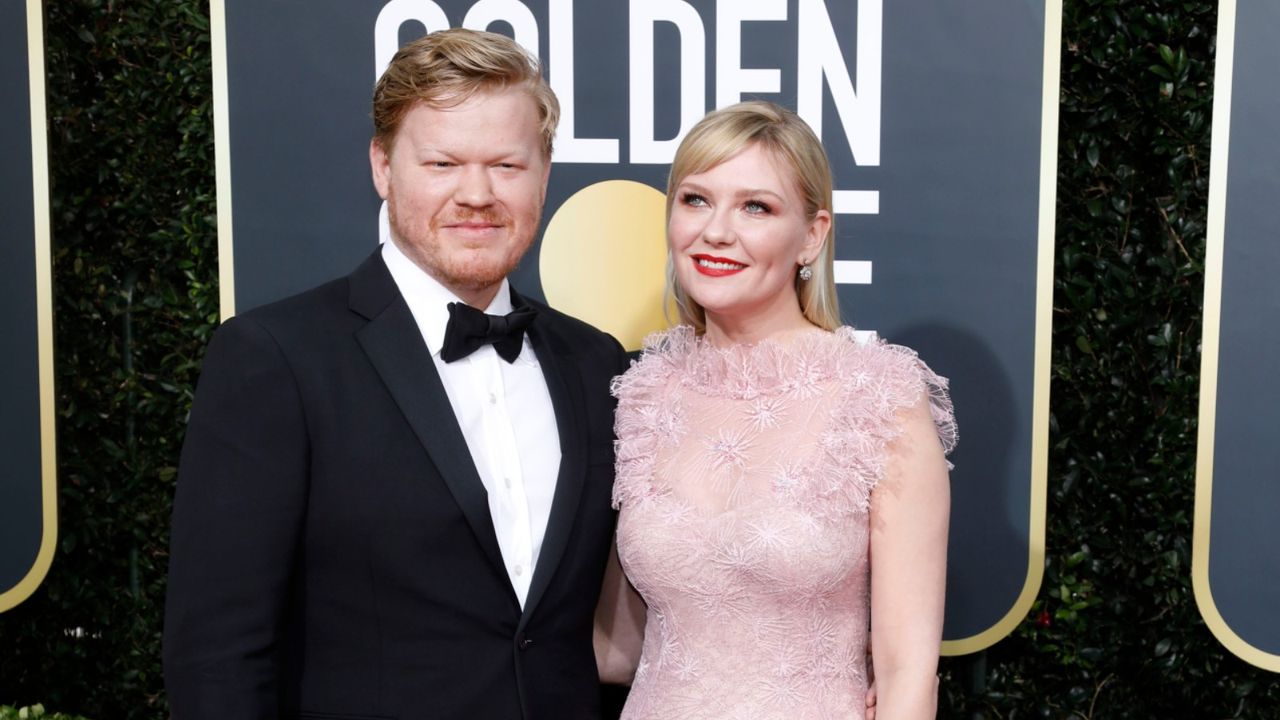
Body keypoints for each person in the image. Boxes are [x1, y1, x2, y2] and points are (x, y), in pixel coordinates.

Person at [163, 29, 629, 719]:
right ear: (383, 167)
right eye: (442, 163)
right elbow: (218, 653)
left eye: (506, 164)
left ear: (544, 174)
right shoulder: (276, 358)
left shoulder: (597, 364)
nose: (477, 194)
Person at [594, 101, 956, 719]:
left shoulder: (879, 396)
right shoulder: (644, 393)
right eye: (695, 199)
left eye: (755, 207)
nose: (716, 231)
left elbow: (905, 674)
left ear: (812, 235)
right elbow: (613, 648)